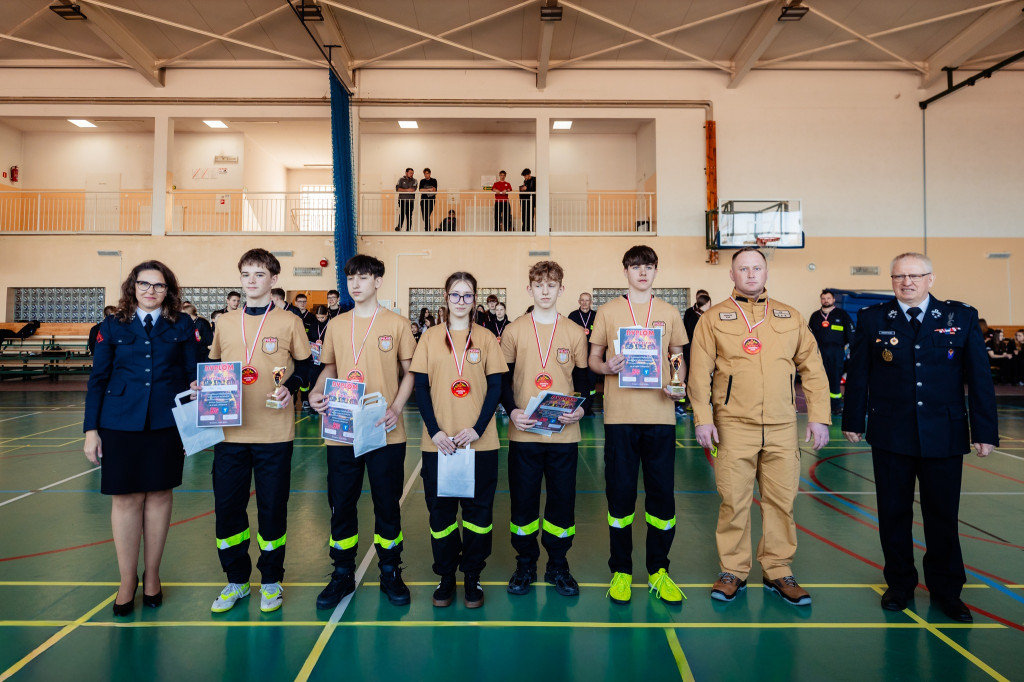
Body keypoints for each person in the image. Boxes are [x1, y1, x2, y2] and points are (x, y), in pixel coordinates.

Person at [842, 252, 998, 623]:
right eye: (899, 277)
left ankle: (947, 591)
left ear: (931, 278)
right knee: (893, 514)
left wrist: (985, 430)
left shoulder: (960, 318)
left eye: (915, 276)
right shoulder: (872, 318)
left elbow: (979, 378)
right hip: (891, 433)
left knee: (942, 516)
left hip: (944, 433)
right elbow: (858, 373)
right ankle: (899, 585)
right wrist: (853, 419)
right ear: (892, 280)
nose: (907, 282)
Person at [689, 247, 830, 607]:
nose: (751, 274)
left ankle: (778, 570)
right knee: (733, 501)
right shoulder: (714, 319)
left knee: (782, 501)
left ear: (766, 273)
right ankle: (732, 571)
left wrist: (818, 415)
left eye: (757, 268)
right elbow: (698, 375)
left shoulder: (790, 316)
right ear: (731, 275)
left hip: (783, 425)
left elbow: (812, 368)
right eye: (743, 269)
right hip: (733, 425)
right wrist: (703, 419)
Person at [84, 260, 199, 616]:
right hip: (119, 423)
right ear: (133, 287)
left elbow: (194, 372)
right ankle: (126, 580)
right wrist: (91, 431)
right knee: (126, 500)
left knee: (160, 495)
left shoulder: (182, 325)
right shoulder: (112, 325)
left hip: (166, 422)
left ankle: (152, 576)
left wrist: (200, 389)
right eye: (145, 284)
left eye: (159, 286)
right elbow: (98, 380)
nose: (151, 291)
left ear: (169, 291)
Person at [204, 248, 314, 614]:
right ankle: (236, 580)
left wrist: (292, 386)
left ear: (273, 280)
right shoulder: (223, 322)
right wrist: (203, 386)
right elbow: (215, 367)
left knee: (272, 510)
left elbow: (305, 367)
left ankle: (270, 581)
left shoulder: (289, 321)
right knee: (228, 510)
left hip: (274, 435)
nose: (252, 281)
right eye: (246, 274)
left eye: (259, 274)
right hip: (230, 434)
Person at [308, 255, 417, 608]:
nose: (356, 284)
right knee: (342, 504)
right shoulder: (337, 325)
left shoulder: (398, 324)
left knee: (387, 504)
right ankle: (342, 572)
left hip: (384, 428)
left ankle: (390, 570)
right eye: (351, 278)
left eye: (364, 277)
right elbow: (329, 369)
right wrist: (315, 392)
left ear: (378, 281)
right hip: (342, 428)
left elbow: (411, 372)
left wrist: (397, 407)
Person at [588, 245, 687, 605]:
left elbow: (676, 355)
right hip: (620, 420)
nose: (642, 272)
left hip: (660, 419)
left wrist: (676, 386)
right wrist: (607, 367)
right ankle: (622, 571)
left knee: (662, 498)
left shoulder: (669, 311)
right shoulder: (609, 311)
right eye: (635, 267)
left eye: (648, 267)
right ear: (625, 271)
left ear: (656, 271)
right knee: (621, 496)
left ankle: (659, 571)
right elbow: (592, 359)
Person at [410, 271, 507, 609]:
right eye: (456, 294)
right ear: (446, 297)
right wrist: (435, 431)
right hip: (440, 444)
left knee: (478, 515)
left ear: (475, 299)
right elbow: (420, 388)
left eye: (468, 295)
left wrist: (478, 429)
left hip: (479, 444)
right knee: (441, 515)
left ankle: (472, 575)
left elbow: (496, 387)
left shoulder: (487, 338)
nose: (461, 301)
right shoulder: (430, 337)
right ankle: (446, 574)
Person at [499, 261, 588, 597]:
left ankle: (558, 565)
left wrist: (579, 408)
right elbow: (502, 379)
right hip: (525, 433)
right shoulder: (514, 330)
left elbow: (583, 380)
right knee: (523, 503)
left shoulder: (574, 332)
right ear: (529, 289)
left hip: (564, 435)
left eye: (552, 285)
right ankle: (524, 565)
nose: (546, 291)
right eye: (539, 285)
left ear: (561, 289)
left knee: (562, 503)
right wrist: (512, 410)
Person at [810, 289, 854, 415]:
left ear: (833, 300)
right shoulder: (815, 316)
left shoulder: (842, 314)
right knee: (819, 379)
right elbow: (809, 335)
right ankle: (820, 406)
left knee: (835, 379)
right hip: (819, 353)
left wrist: (852, 349)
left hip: (837, 353)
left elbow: (851, 333)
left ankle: (835, 406)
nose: (826, 300)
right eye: (823, 298)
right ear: (821, 300)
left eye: (828, 298)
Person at [568, 292, 598, 415]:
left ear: (591, 302)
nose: (585, 302)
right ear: (579, 301)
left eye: (587, 300)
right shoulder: (573, 316)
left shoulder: (596, 316)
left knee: (591, 382)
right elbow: (568, 335)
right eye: (583, 300)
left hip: (592, 355)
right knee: (578, 381)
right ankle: (577, 407)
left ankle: (588, 407)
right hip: (577, 355)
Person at [304, 305, 331, 410]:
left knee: (326, 381)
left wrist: (324, 344)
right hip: (315, 358)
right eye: (318, 317)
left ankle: (326, 405)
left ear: (327, 315)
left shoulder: (332, 324)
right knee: (313, 380)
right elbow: (309, 338)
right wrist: (313, 344)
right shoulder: (314, 324)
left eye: (322, 318)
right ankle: (313, 406)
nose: (320, 320)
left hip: (327, 359)